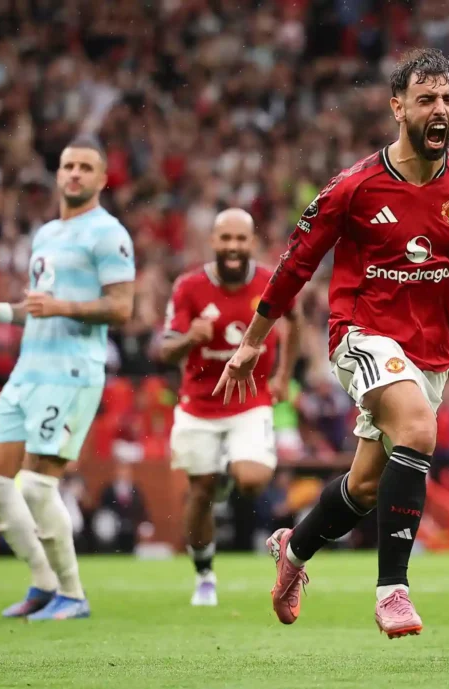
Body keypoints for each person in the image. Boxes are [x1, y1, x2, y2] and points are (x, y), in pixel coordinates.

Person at [215, 48, 449, 639]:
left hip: (430, 354)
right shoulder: (355, 186)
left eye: (448, 99)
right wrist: (253, 340)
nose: (439, 110)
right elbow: (296, 263)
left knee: (367, 487)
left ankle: (292, 550)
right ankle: (392, 590)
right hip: (361, 333)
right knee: (419, 430)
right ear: (398, 107)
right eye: (426, 100)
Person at [0, 136, 136, 621]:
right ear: (58, 174)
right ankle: (43, 583)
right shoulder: (45, 234)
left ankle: (73, 595)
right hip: (28, 370)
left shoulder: (109, 234)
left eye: (85, 167)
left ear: (102, 179)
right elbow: (41, 305)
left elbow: (122, 307)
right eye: (68, 166)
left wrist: (62, 307)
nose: (74, 173)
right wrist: (1, 311)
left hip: (71, 371)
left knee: (37, 486)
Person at [158, 208, 300, 607]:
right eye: (226, 238)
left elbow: (296, 319)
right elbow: (165, 350)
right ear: (213, 242)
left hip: (250, 398)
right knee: (199, 493)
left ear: (252, 242)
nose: (233, 246)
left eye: (240, 239)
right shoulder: (189, 286)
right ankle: (204, 574)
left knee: (252, 479)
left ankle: (226, 473)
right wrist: (190, 338)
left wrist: (284, 375)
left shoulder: (270, 280)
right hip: (199, 404)